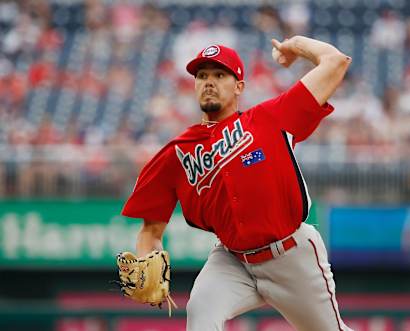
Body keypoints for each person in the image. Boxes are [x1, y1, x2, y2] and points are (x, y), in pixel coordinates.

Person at [121, 36, 352, 331]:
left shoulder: (271, 118)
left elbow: (336, 61)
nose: (208, 82)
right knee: (200, 311)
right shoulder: (176, 153)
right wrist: (146, 257)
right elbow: (150, 231)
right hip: (232, 261)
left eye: (219, 75)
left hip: (291, 255)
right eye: (202, 76)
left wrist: (293, 44)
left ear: (239, 86)